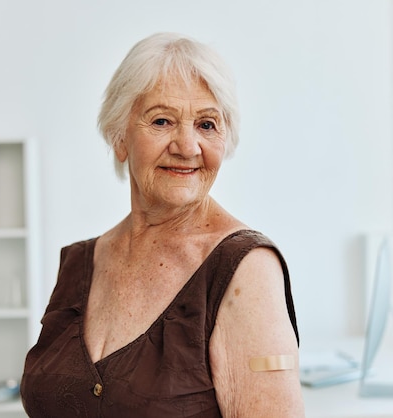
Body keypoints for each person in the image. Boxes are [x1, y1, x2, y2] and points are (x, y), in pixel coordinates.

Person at [20, 32, 304, 417]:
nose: (187, 146)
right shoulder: (80, 262)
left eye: (207, 125)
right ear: (120, 138)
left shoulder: (245, 271)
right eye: (162, 120)